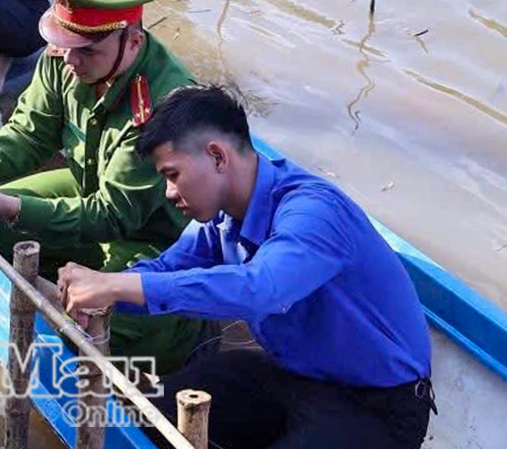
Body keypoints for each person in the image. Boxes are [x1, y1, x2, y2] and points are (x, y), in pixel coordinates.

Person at [58, 84, 436, 449]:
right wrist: (103, 288)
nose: (170, 193)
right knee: (152, 415)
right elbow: (166, 269)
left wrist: (118, 287)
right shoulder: (221, 218)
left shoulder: (313, 212)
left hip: (377, 406)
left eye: (173, 175)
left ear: (217, 157)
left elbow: (261, 289)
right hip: (293, 377)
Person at [0, 0, 204, 374]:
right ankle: (45, 294)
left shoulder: (164, 106)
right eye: (64, 45)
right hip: (83, 189)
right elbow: (28, 134)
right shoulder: (64, 58)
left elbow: (114, 214)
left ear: (132, 41)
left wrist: (14, 207)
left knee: (117, 327)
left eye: (88, 51)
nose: (71, 62)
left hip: (152, 238)